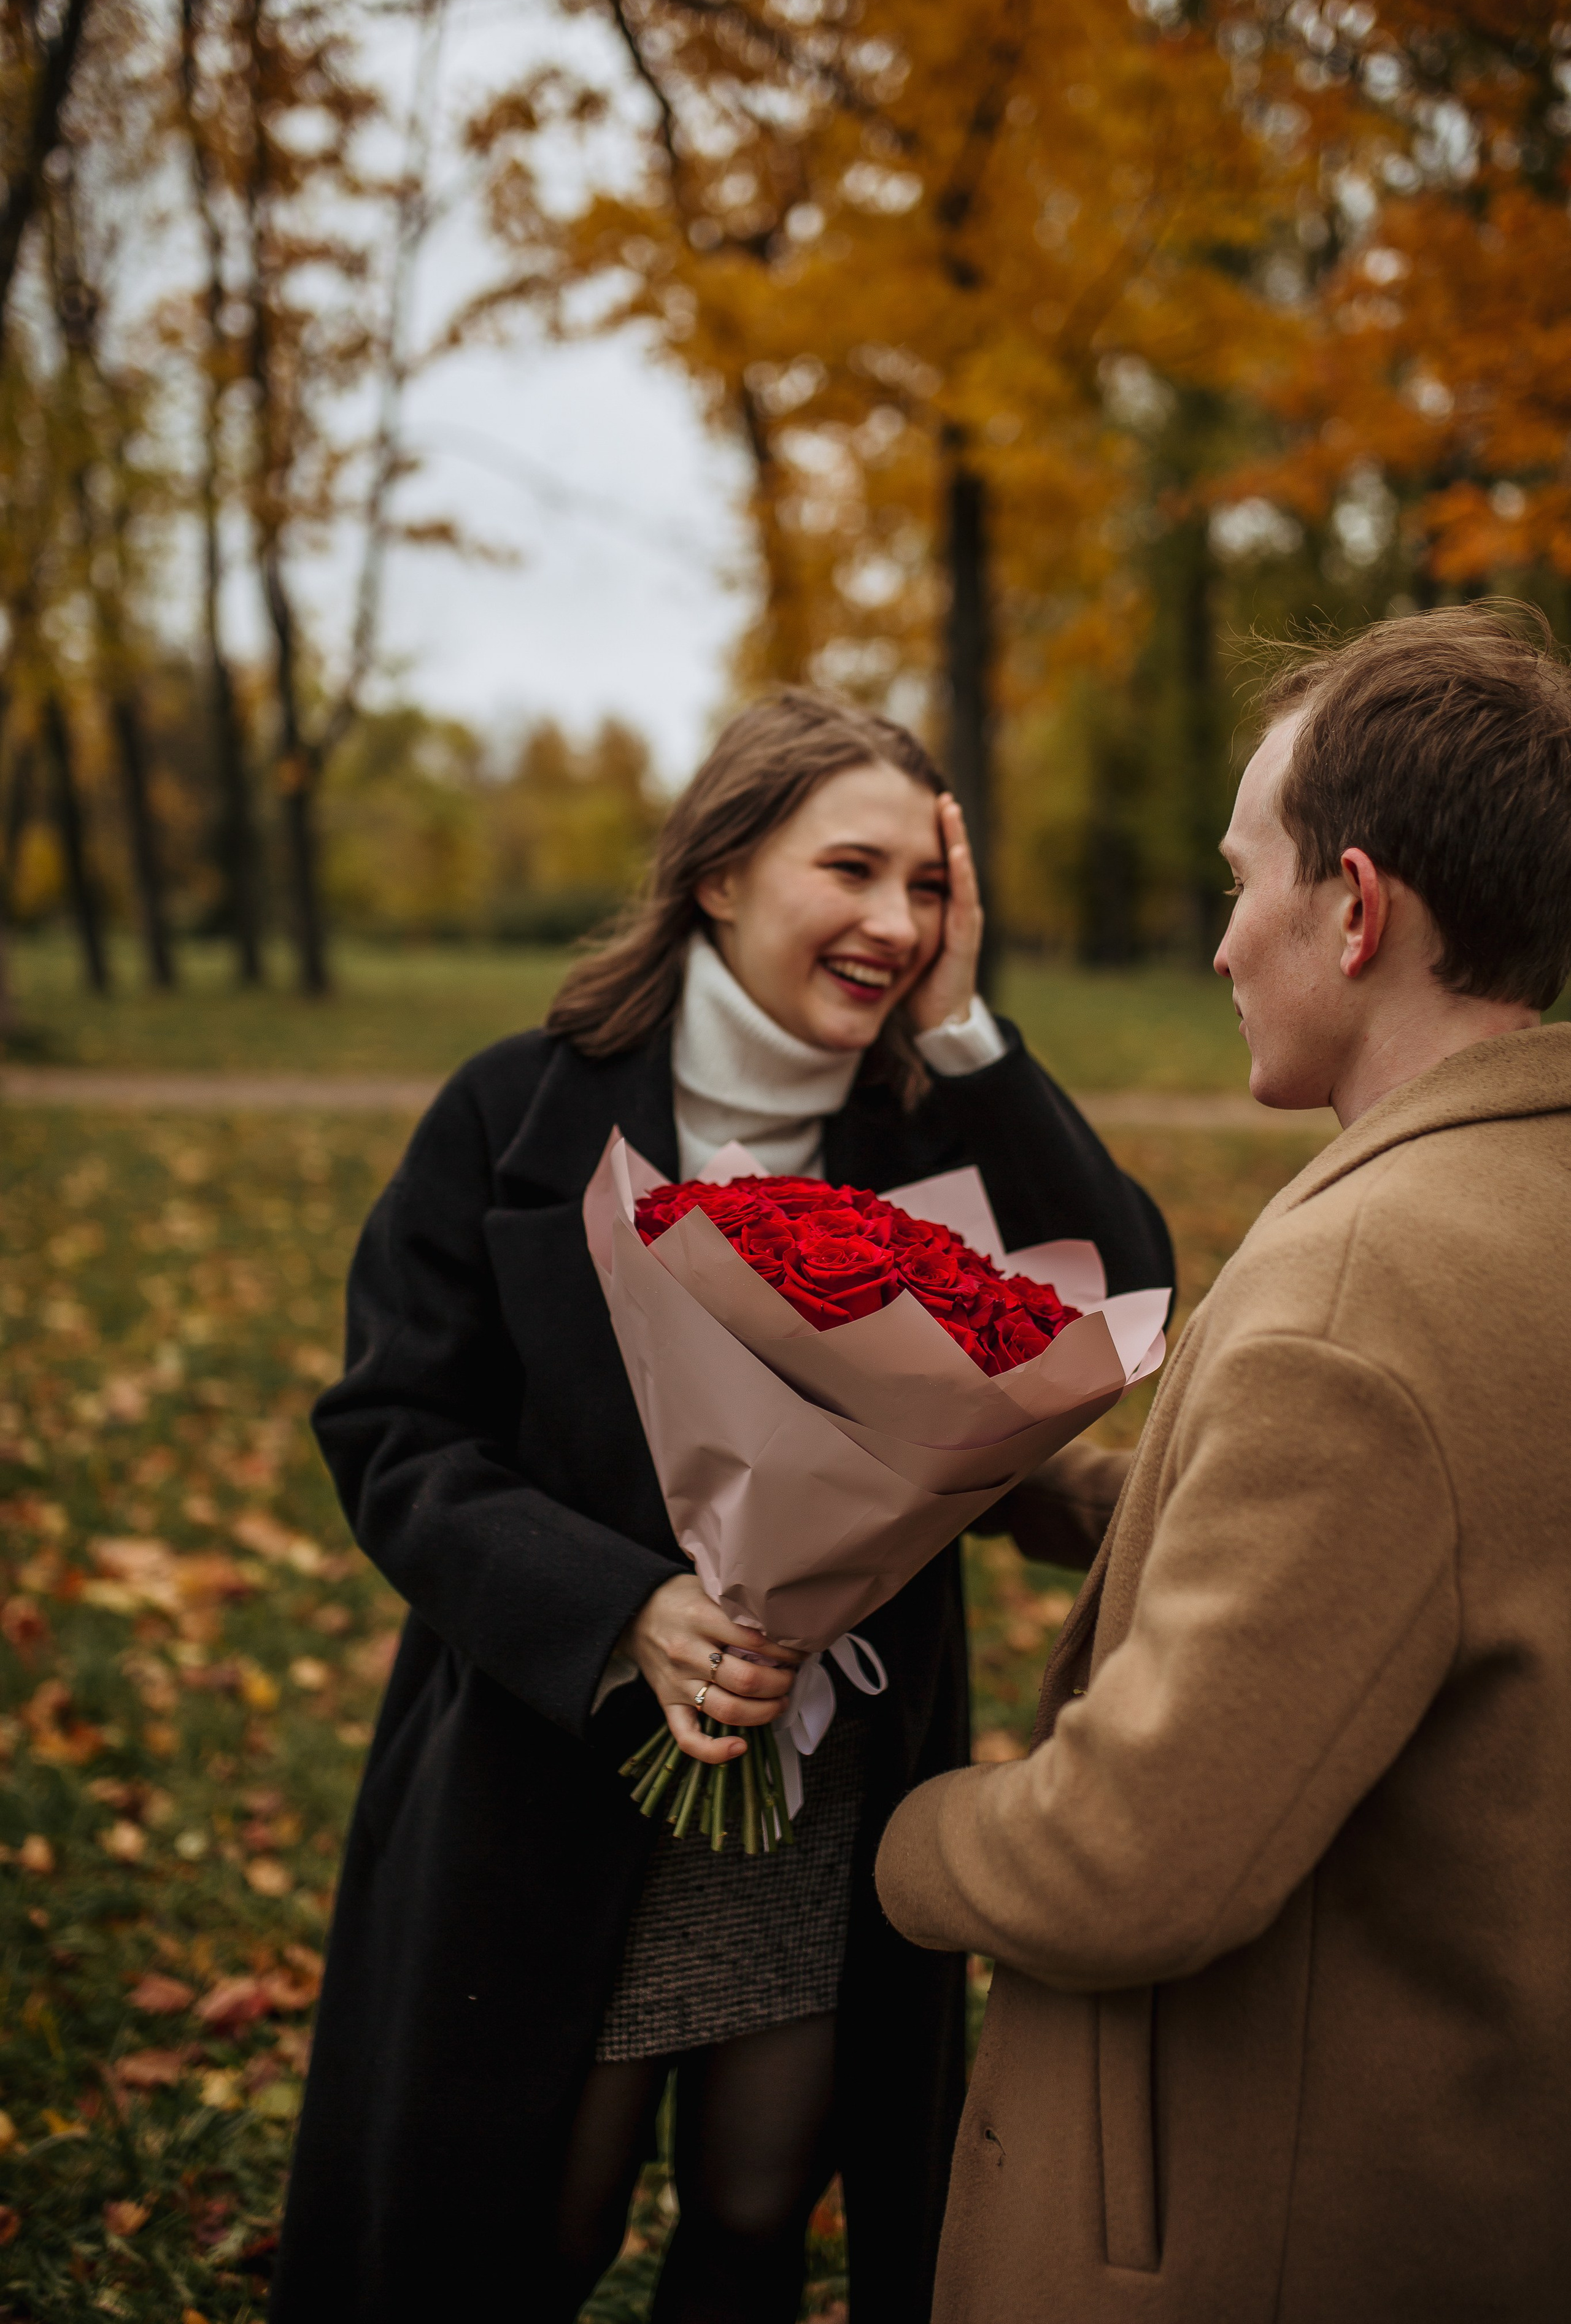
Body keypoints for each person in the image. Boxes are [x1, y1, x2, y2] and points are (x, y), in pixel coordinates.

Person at [269, 690, 1173, 2324]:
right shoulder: (513, 1110)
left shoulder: (926, 1121)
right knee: (541, 2218)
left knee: (761, 2203)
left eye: (928, 887)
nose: (896, 922)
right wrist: (621, 1610)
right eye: (853, 869)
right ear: (721, 871)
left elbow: (1119, 1286)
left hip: (826, 1771)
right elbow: (394, 1431)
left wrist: (969, 1033)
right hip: (550, 1773)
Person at [876, 599, 1571, 2323]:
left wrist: (911, 1839)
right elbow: (1441, 1540)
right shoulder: (1526, 1202)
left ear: (1358, 910)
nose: (1219, 944)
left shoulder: (1361, 1286)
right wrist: (1052, 1492)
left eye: (1244, 880)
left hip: (1269, 2228)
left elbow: (1132, 1857)